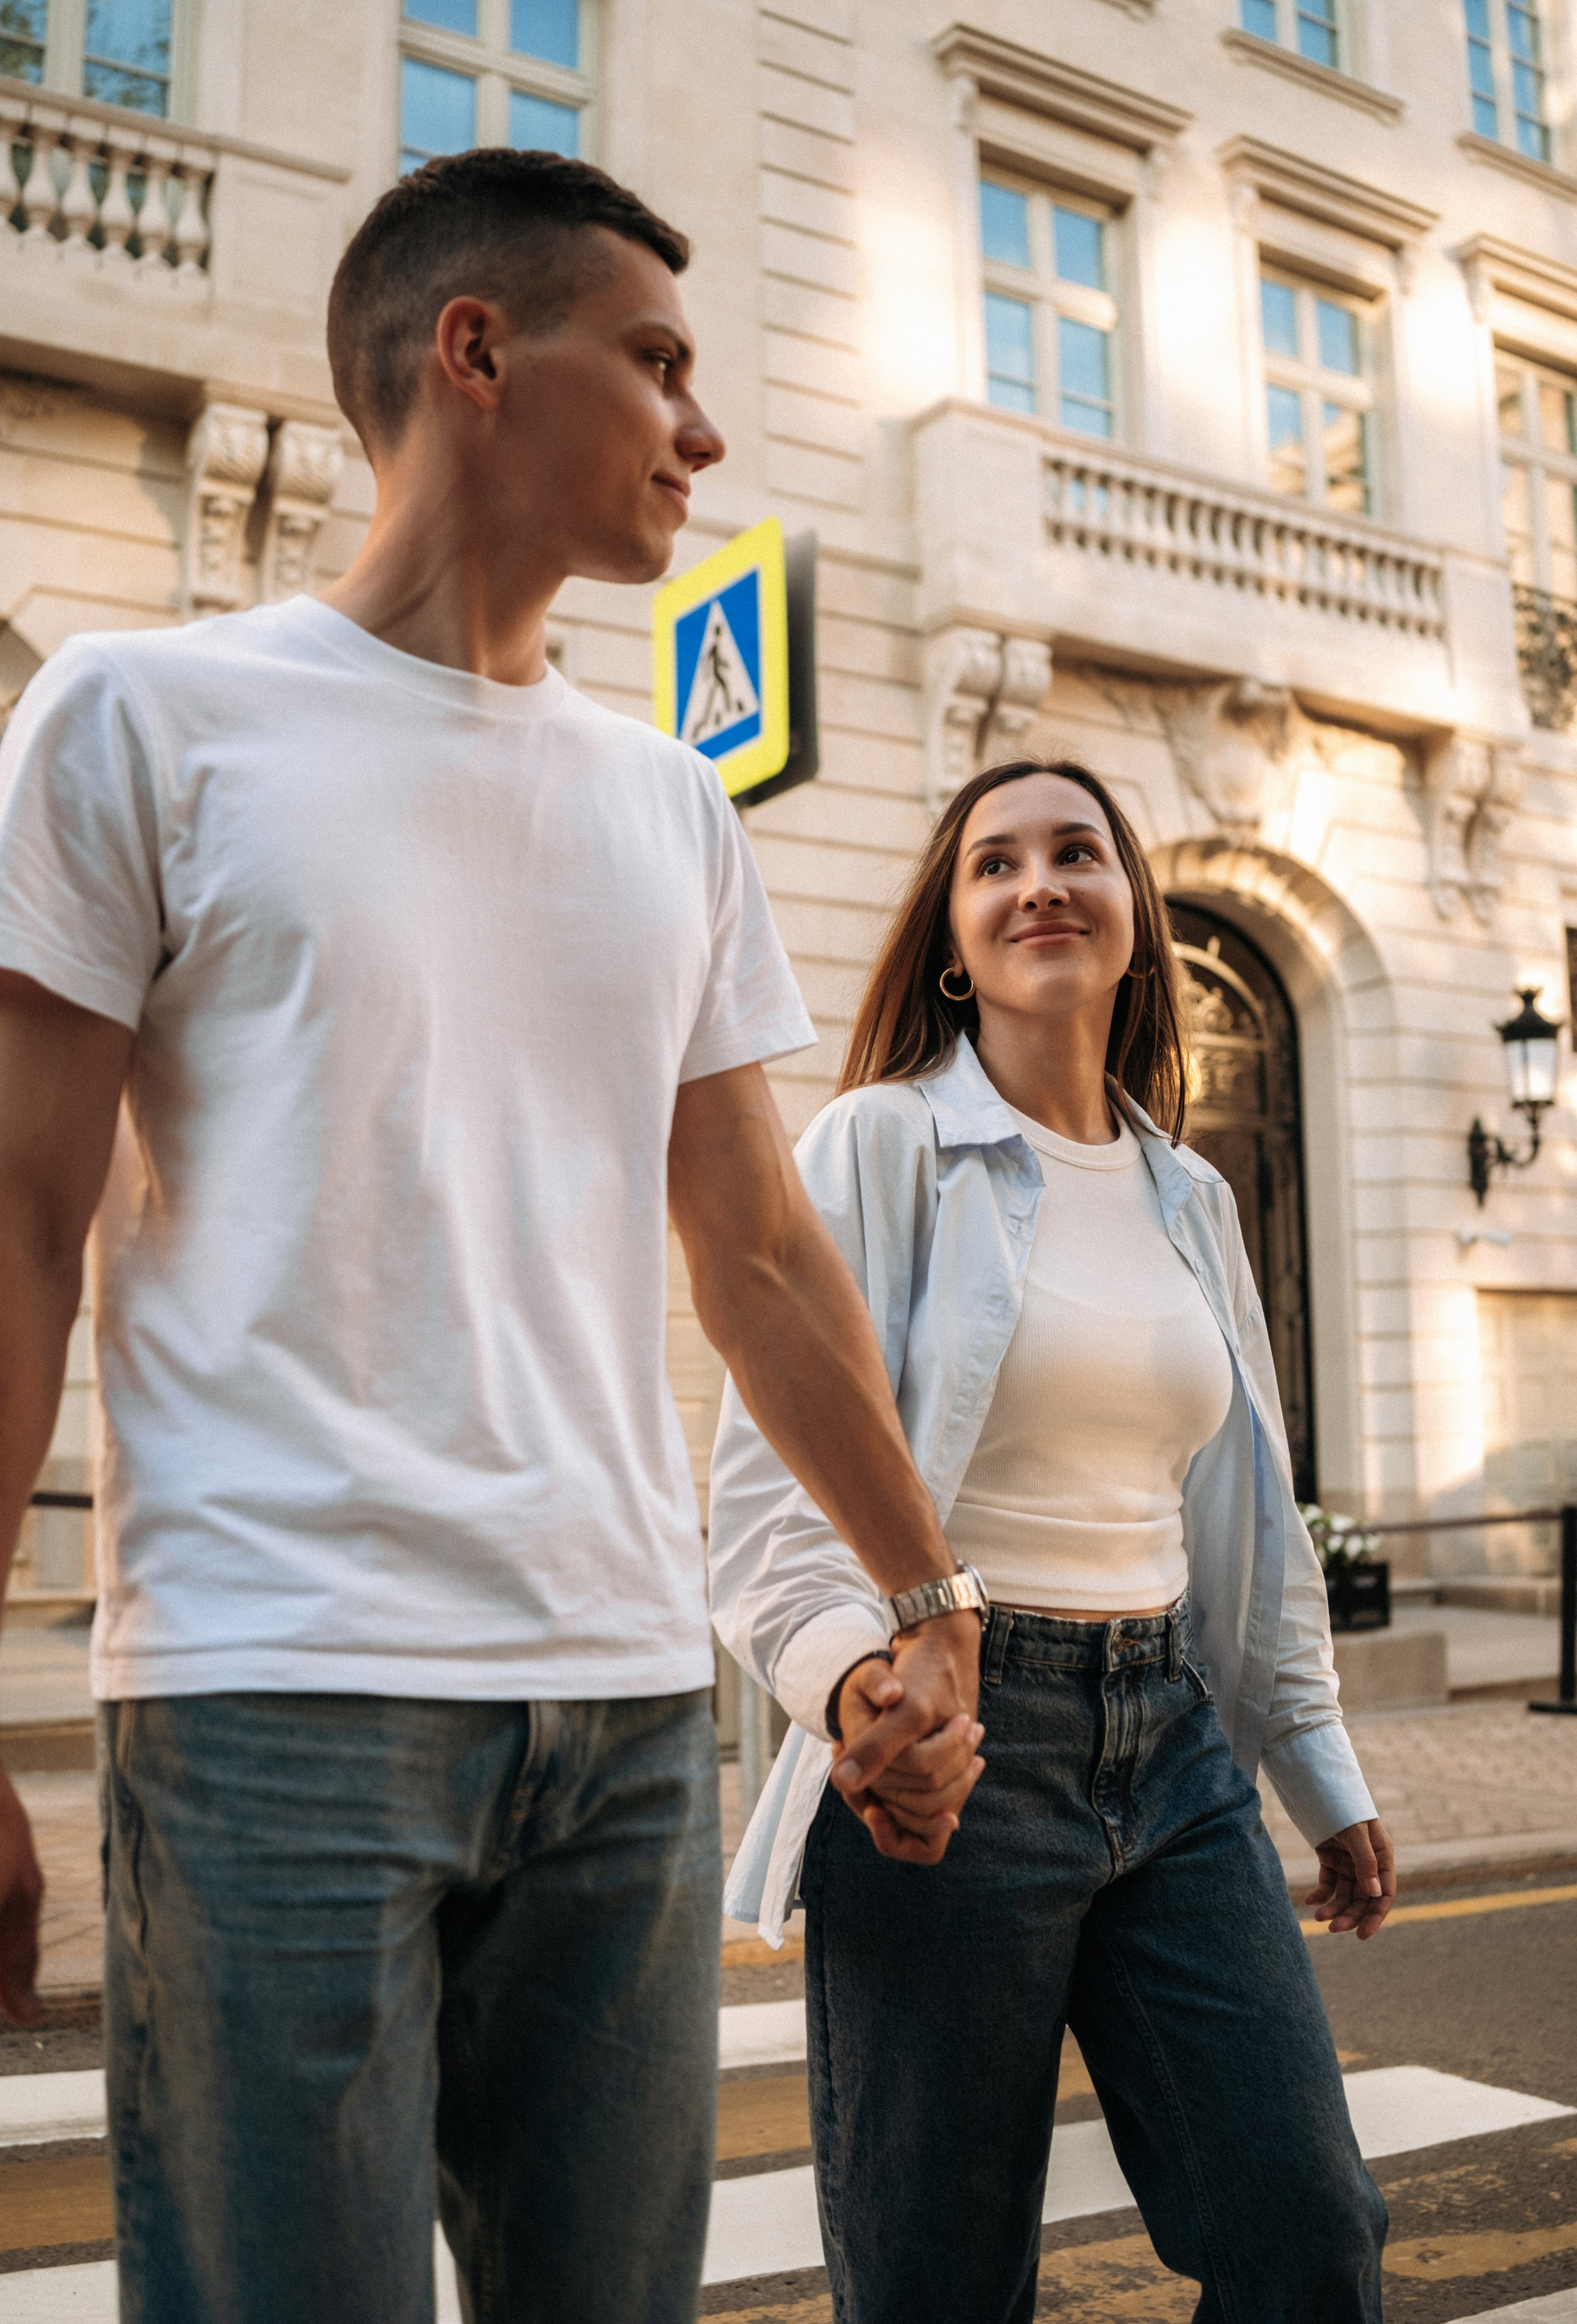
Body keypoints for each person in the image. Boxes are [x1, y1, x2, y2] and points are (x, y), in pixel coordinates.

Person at [0, 150, 984, 2324]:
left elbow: (754, 1255)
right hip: (276, 1691)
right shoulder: (143, 720)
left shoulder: (667, 805)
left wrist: (928, 1592)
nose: (701, 434)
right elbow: (22, 1221)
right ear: (475, 354)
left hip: (623, 1707)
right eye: (657, 365)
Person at [710, 757, 1396, 2324]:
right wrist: (856, 1696)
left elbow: (1242, 1513)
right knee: (939, 2288)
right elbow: (764, 1497)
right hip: (949, 1752)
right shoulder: (877, 1149)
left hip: (1175, 1752)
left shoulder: (1191, 1197)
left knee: (1311, 2235)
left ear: (1135, 915)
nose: (1040, 883)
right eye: (994, 862)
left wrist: (1315, 1765)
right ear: (953, 935)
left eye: (1077, 852)